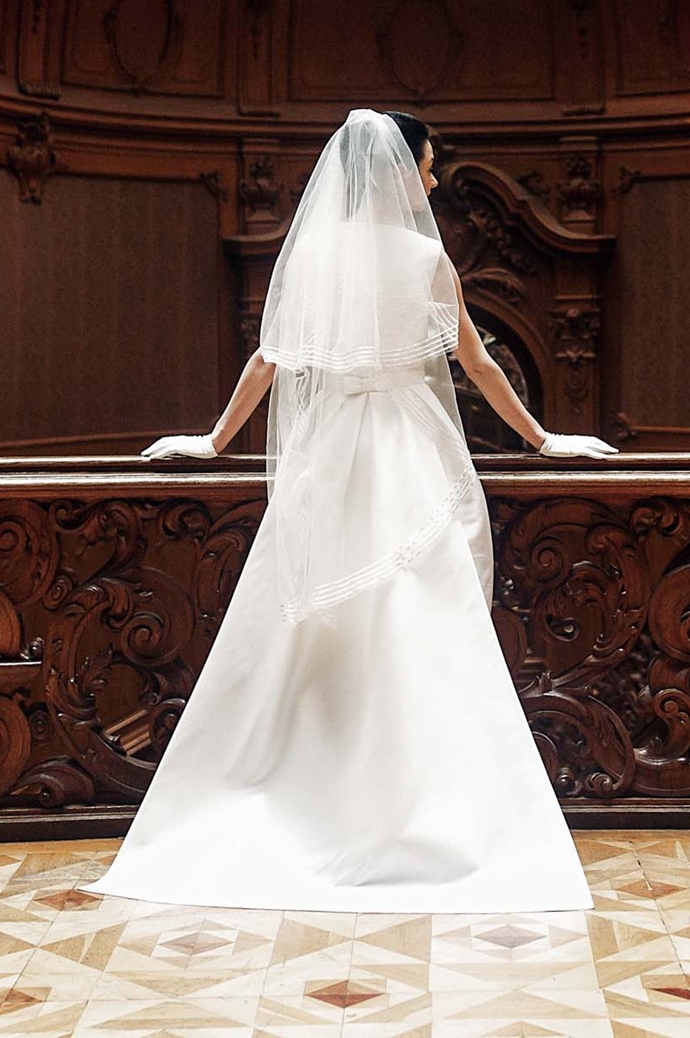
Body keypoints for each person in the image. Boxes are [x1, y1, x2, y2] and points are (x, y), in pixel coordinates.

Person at [85, 109, 614, 913]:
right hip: (410, 450)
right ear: (400, 173)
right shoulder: (426, 256)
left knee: (325, 633)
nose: (434, 182)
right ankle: (434, 817)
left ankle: (315, 800)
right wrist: (543, 439)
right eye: (428, 167)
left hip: (329, 459)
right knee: (422, 623)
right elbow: (475, 361)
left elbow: (270, 358)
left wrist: (216, 440)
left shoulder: (317, 253)